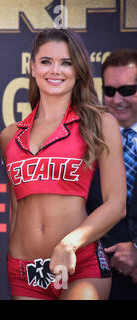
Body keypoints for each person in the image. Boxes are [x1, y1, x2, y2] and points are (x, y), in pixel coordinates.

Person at [0, 28, 127, 300]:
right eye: (46, 61)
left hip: (80, 264)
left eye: (66, 62)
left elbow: (116, 205)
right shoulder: (10, 136)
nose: (55, 70)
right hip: (25, 271)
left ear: (78, 70)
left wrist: (69, 243)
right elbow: (16, 209)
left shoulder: (100, 123)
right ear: (33, 67)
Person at [86, 49, 137, 299]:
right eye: (110, 91)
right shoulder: (85, 139)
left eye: (128, 90)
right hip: (98, 274)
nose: (118, 99)